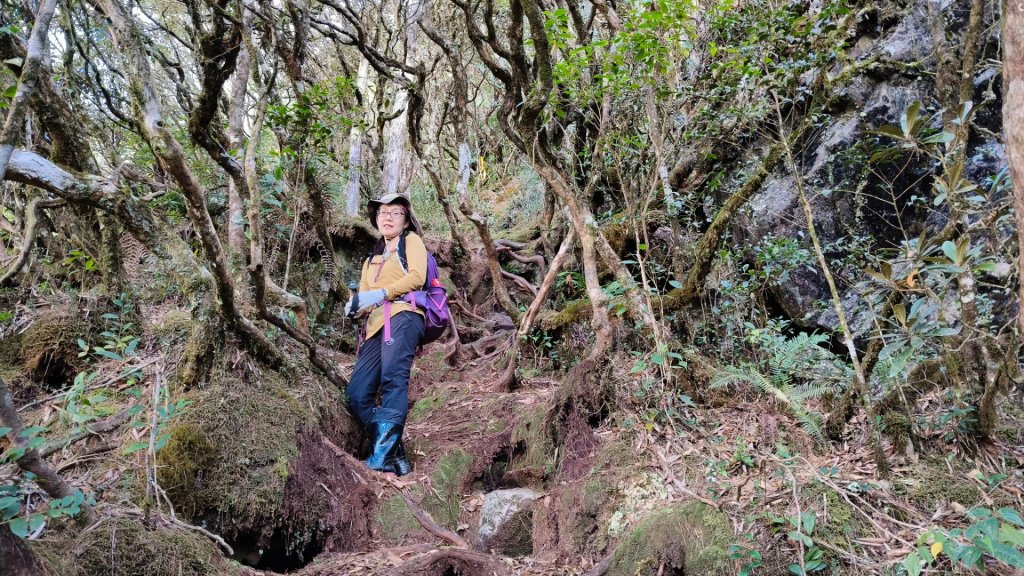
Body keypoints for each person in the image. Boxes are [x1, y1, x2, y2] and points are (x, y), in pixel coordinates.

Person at [344, 193, 427, 476]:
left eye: (395, 213)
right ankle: (396, 451)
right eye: (382, 213)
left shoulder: (411, 242)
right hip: (376, 326)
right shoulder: (371, 260)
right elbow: (365, 297)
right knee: (357, 394)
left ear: (405, 222)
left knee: (393, 379)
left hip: (404, 315)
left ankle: (380, 457)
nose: (387, 217)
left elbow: (418, 276)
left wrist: (382, 293)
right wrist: (355, 306)